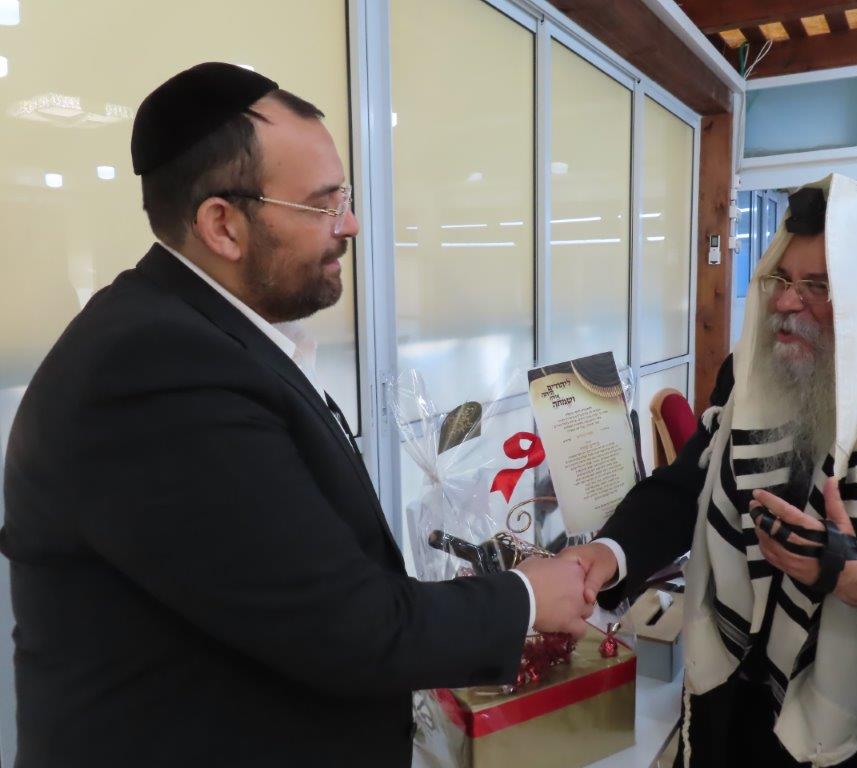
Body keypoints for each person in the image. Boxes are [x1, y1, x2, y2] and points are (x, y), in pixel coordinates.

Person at [0, 63, 592, 768]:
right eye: (322, 205)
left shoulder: (199, 335)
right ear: (223, 225)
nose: (350, 224)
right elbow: (343, 626)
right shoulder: (153, 368)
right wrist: (525, 598)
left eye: (345, 196)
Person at [563, 175, 857, 767]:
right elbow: (687, 486)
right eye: (781, 279)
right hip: (736, 705)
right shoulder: (754, 377)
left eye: (819, 287)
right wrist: (608, 554)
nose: (785, 303)